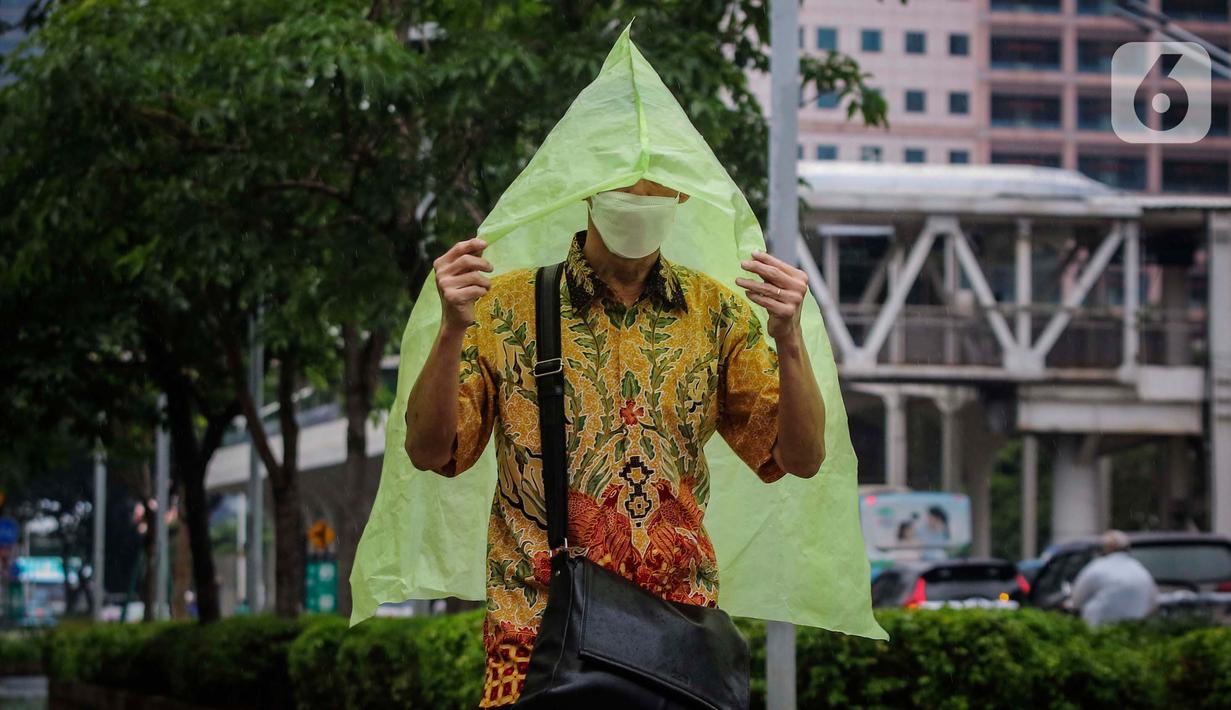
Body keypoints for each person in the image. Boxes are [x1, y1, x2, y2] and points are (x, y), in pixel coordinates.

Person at [403, 177, 827, 706]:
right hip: (536, 631)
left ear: (682, 192)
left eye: (657, 178)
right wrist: (450, 330)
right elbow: (429, 451)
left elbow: (801, 458)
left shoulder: (716, 314)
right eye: (625, 175)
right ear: (589, 183)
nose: (641, 191)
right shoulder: (505, 308)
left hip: (677, 637)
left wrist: (789, 337)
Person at [1069, 530, 1159, 626]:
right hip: (1133, 631)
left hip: (1097, 630)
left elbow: (1077, 600)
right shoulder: (1140, 570)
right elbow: (1153, 603)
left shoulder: (1096, 567)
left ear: (1106, 548)